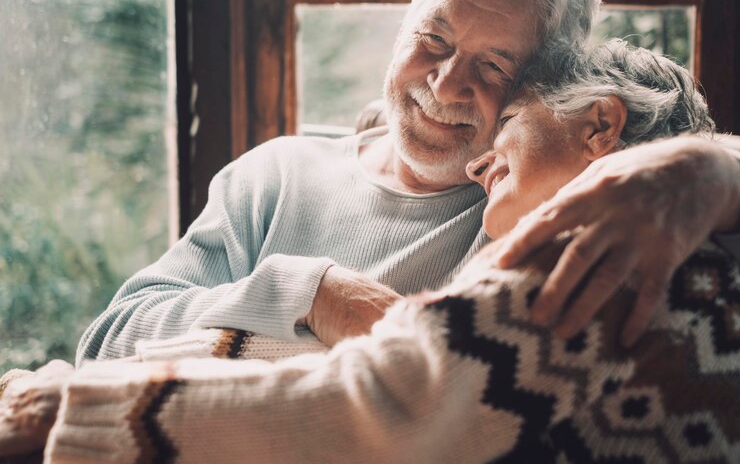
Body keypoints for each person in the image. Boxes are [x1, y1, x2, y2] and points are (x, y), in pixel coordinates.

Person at [5, 40, 738, 464]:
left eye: (507, 113)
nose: (480, 165)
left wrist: (67, 406)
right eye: (433, 41)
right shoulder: (709, 244)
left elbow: (368, 407)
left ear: (601, 125)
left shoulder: (580, 268)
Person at [77, 0, 740, 367]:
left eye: (492, 67)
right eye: (434, 38)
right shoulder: (274, 175)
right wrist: (310, 293)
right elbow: (106, 343)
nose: (446, 81)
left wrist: (706, 169)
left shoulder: (528, 205)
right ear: (403, 24)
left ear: (535, 87)